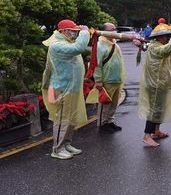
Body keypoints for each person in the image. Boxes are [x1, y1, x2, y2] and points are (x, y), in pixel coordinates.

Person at [42, 19, 91, 160]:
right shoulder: (57, 45)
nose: (75, 34)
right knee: (62, 119)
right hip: (61, 88)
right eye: (73, 31)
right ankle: (57, 149)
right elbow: (79, 48)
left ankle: (66, 143)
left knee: (70, 118)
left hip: (71, 88)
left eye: (76, 32)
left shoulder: (66, 42)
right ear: (63, 31)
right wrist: (85, 32)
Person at [137, 19, 171, 147]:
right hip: (154, 84)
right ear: (159, 37)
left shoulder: (162, 46)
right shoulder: (154, 47)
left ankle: (156, 132)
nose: (169, 39)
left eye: (170, 37)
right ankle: (147, 135)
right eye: (166, 37)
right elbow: (164, 51)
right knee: (153, 109)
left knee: (160, 109)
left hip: (161, 83)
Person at [94, 22, 128, 134]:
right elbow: (96, 64)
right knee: (105, 103)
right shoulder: (100, 45)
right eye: (111, 29)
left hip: (116, 78)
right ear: (104, 31)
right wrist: (98, 80)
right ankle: (102, 124)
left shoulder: (114, 43)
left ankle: (110, 121)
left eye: (115, 29)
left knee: (114, 103)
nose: (114, 31)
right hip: (107, 79)